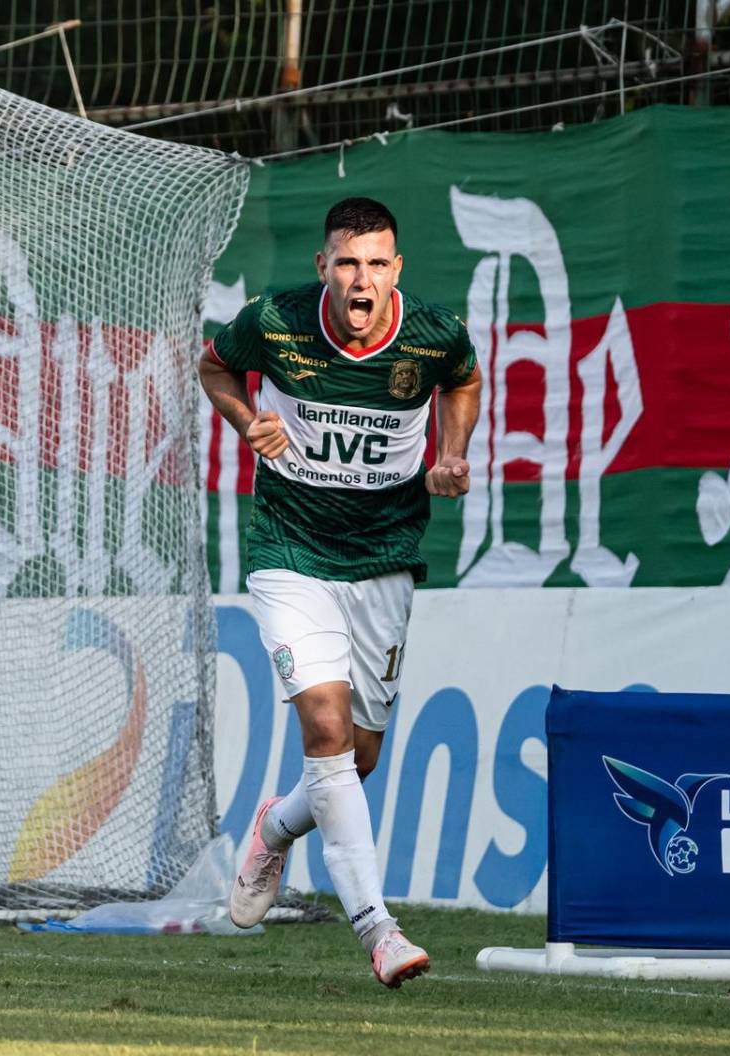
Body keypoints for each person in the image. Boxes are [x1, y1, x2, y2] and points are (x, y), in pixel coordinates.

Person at [199, 196, 480, 988]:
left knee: (357, 758)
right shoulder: (277, 321)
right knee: (322, 725)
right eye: (346, 262)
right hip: (290, 551)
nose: (361, 278)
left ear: (397, 271)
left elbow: (462, 380)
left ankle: (276, 827)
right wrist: (246, 417)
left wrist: (453, 451)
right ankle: (378, 930)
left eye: (376, 264)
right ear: (324, 266)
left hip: (384, 557)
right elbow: (214, 363)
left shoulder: (434, 335)